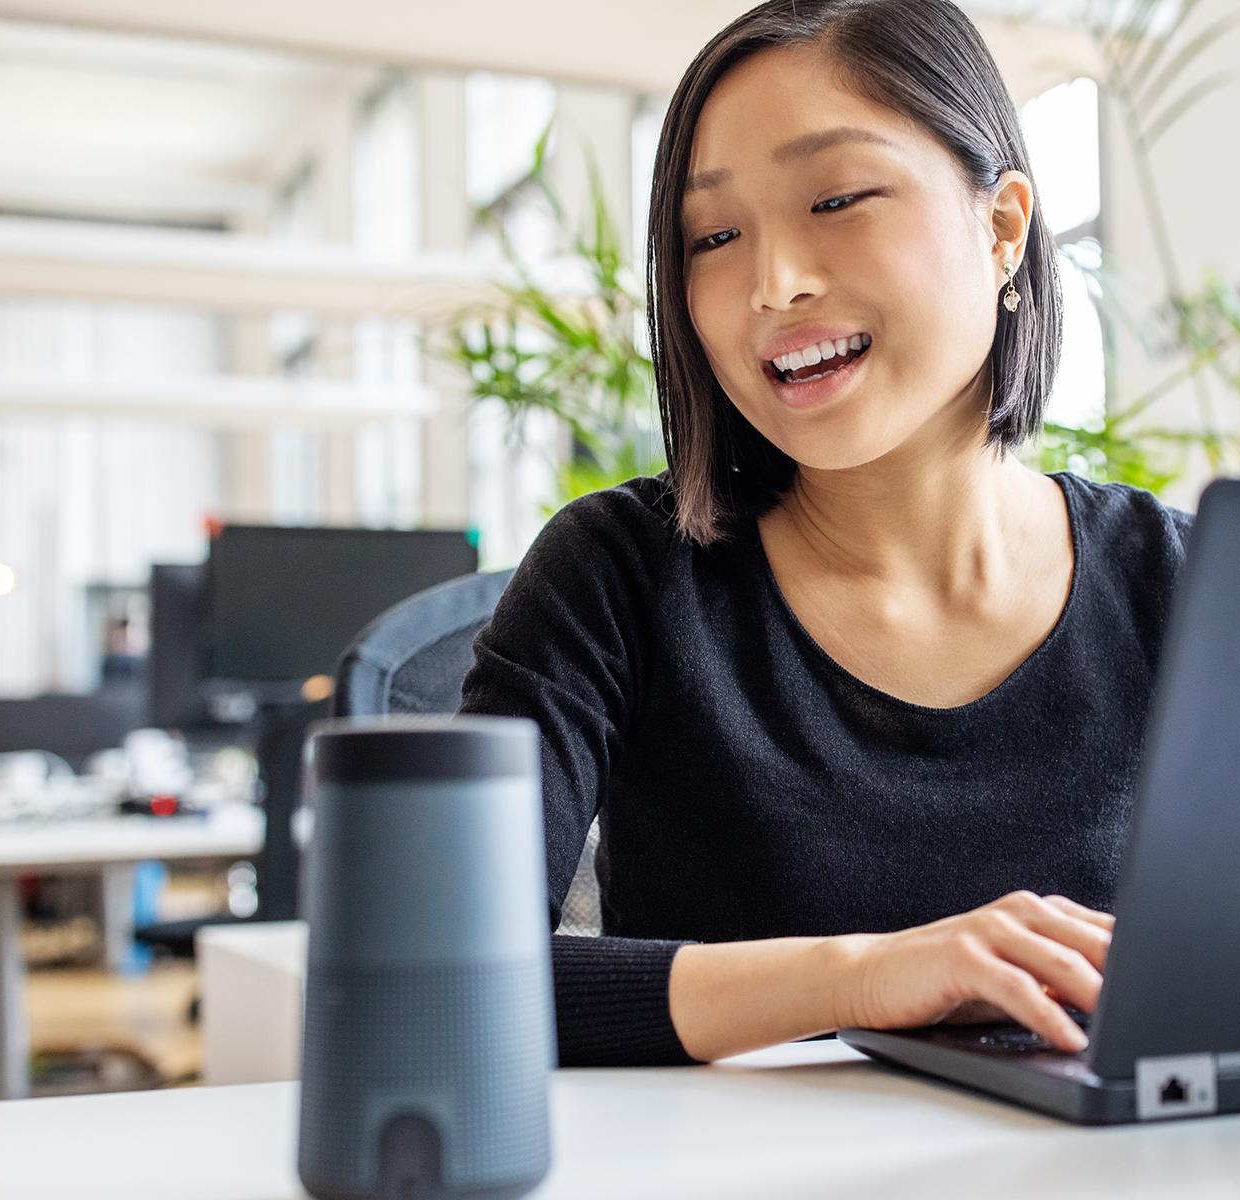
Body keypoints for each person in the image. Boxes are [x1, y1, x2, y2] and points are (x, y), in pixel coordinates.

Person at [462, 0, 1192, 1066]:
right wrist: (860, 979)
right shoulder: (615, 578)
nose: (774, 284)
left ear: (1002, 227)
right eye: (715, 237)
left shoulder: (1185, 586)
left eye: (838, 199)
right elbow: (440, 978)